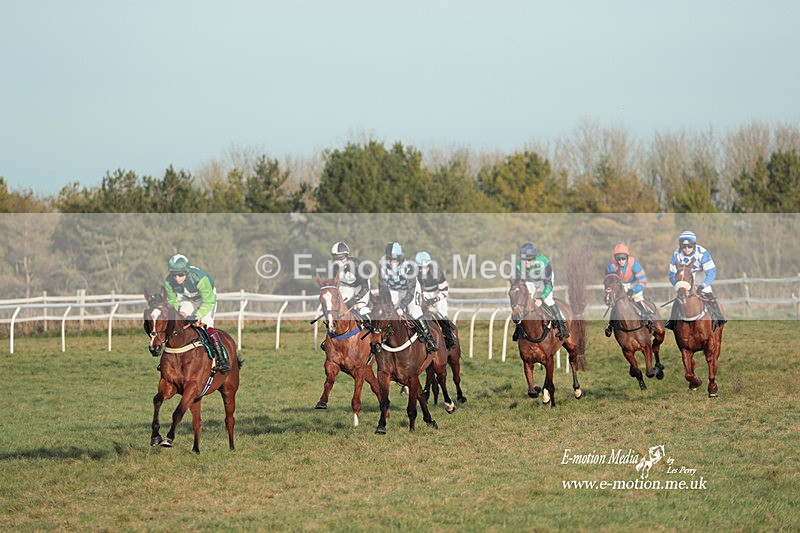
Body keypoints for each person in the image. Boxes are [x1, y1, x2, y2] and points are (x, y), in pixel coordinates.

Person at [163, 254, 230, 373]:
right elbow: (172, 301)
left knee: (206, 325)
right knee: (179, 321)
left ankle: (222, 359)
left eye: (180, 275)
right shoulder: (168, 282)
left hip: (207, 300)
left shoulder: (200, 279)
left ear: (187, 272)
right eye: (174, 275)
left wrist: (197, 316)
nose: (177, 278)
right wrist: (179, 314)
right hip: (187, 299)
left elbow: (209, 301)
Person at [378, 242, 437, 352]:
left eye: (394, 259)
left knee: (414, 312)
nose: (391, 262)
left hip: (410, 290)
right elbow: (383, 288)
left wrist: (401, 306)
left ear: (399, 258)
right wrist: (385, 302)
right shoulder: (382, 268)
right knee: (387, 312)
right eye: (389, 259)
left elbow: (410, 291)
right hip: (394, 290)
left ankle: (429, 339)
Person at [667, 230, 727, 329]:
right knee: (679, 298)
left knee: (708, 294)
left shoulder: (702, 253)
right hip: (684, 277)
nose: (687, 249)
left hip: (700, 274)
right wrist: (677, 286)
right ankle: (672, 321)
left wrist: (703, 285)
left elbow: (711, 272)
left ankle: (718, 316)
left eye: (689, 246)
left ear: (694, 245)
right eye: (684, 246)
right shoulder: (676, 255)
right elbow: (672, 274)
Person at [513, 243, 569, 340]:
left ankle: (562, 326)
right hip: (530, 280)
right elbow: (519, 283)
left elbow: (548, 285)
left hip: (544, 280)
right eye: (524, 260)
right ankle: (519, 327)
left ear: (534, 258)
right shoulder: (518, 265)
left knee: (548, 300)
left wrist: (541, 299)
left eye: (529, 260)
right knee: (524, 300)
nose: (526, 262)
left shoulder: (543, 262)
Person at [604, 243, 656, 337]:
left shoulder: (634, 264)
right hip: (620, 286)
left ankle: (649, 320)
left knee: (638, 300)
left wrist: (634, 290)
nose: (621, 261)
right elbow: (610, 281)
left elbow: (643, 281)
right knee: (616, 303)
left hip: (635, 284)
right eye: (618, 259)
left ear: (627, 257)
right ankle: (610, 325)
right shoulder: (611, 266)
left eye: (623, 258)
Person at [415, 251, 458, 349]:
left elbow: (444, 291)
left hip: (438, 293)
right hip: (425, 294)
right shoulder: (415, 274)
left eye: (424, 267)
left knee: (440, 313)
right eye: (420, 267)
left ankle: (450, 336)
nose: (421, 270)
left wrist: (434, 300)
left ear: (429, 265)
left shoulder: (437, 272)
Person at [328, 241, 373, 331]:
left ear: (347, 256)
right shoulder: (333, 266)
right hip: (346, 286)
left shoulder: (357, 266)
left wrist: (354, 300)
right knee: (339, 306)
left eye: (342, 258)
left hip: (361, 286)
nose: (339, 261)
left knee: (361, 307)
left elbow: (365, 288)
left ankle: (372, 328)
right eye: (336, 258)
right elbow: (333, 284)